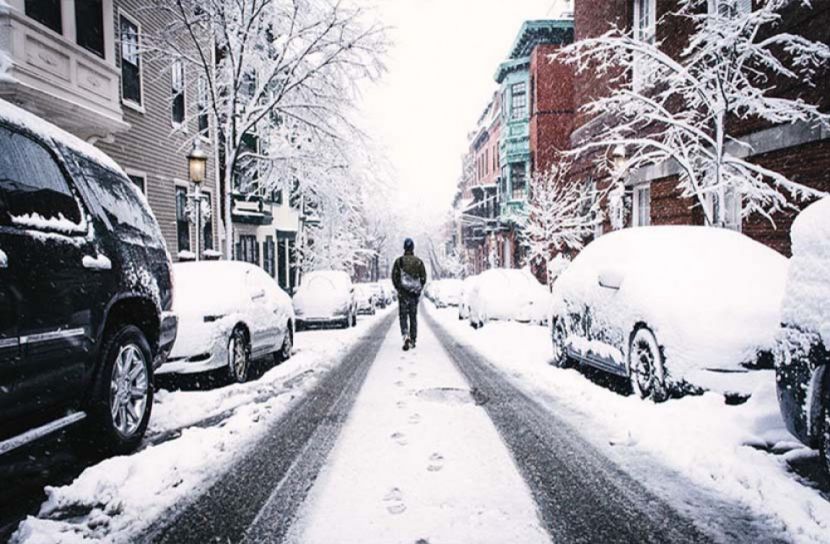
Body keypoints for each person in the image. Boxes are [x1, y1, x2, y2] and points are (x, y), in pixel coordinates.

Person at [392, 238, 427, 351]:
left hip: (403, 295)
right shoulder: (418, 262)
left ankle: (405, 334)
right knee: (413, 317)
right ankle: (413, 339)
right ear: (413, 248)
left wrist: (399, 288)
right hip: (413, 295)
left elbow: (394, 277)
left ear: (404, 248)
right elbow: (423, 278)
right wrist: (418, 289)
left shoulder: (399, 262)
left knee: (403, 316)